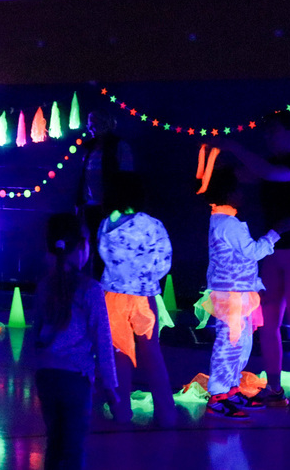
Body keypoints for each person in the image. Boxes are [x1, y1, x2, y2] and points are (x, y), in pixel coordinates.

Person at [216, 113, 290, 414]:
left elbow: (271, 173)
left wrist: (232, 145)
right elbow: (245, 174)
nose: (268, 136)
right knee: (267, 323)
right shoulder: (266, 165)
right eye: (266, 131)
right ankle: (274, 390)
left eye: (274, 131)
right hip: (273, 251)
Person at [197, 165, 290, 419]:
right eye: (238, 189)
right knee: (229, 345)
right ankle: (218, 395)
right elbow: (252, 252)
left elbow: (242, 257)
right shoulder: (228, 224)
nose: (243, 194)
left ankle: (230, 389)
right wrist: (276, 233)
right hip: (232, 297)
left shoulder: (223, 221)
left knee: (240, 344)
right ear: (229, 193)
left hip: (237, 294)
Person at [32, 212, 118, 470]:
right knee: (73, 447)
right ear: (82, 247)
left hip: (46, 376)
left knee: (55, 443)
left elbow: (37, 333)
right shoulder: (91, 290)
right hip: (75, 378)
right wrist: (111, 388)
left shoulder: (44, 285)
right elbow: (103, 341)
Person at [96, 172, 176, 426]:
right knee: (152, 353)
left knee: (119, 354)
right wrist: (146, 276)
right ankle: (166, 413)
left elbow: (102, 255)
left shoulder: (106, 223)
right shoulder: (151, 224)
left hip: (112, 298)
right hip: (143, 297)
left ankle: (121, 411)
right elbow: (164, 261)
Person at [77, 110, 133, 277]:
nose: (90, 127)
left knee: (110, 248)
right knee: (94, 247)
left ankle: (110, 288)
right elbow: (82, 178)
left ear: (106, 123)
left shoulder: (119, 146)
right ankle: (97, 288)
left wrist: (120, 206)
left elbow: (127, 178)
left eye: (93, 123)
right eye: (89, 123)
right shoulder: (89, 148)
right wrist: (80, 202)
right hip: (91, 206)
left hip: (111, 208)